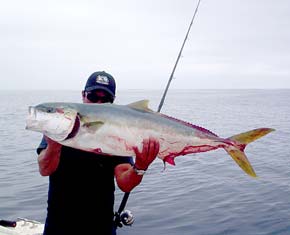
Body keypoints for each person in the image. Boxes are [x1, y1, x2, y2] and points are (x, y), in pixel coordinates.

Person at [37, 71, 160, 235]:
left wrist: (140, 166)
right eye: (93, 97)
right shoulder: (62, 125)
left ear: (113, 102)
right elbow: (45, 169)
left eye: (105, 99)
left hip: (101, 228)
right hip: (59, 227)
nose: (98, 103)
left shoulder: (116, 135)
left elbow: (125, 183)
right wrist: (53, 145)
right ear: (83, 95)